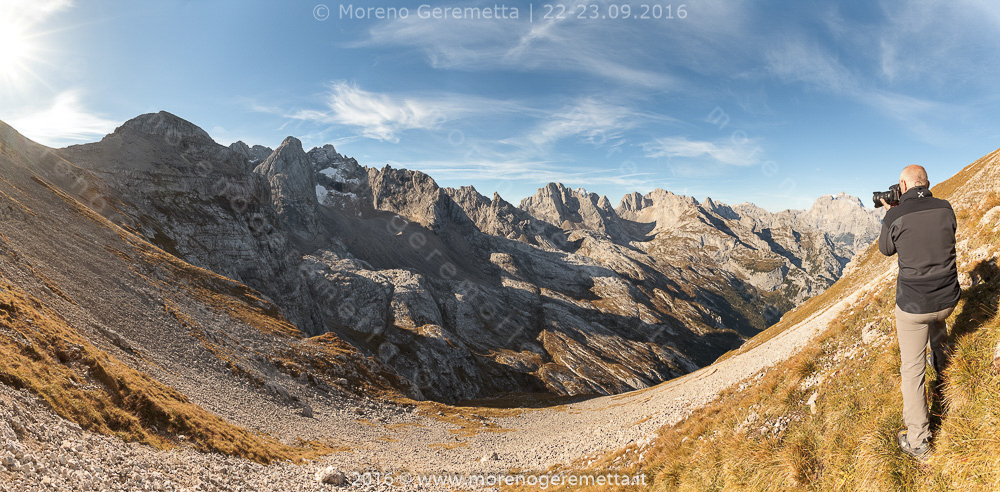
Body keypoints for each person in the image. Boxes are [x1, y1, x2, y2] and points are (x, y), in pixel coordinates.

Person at [877, 164, 961, 462]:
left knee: (912, 369)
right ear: (927, 183)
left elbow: (886, 249)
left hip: (914, 306)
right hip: (948, 299)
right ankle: (948, 377)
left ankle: (919, 441)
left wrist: (889, 213)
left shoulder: (896, 215)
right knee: (938, 328)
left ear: (902, 185)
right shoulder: (946, 207)